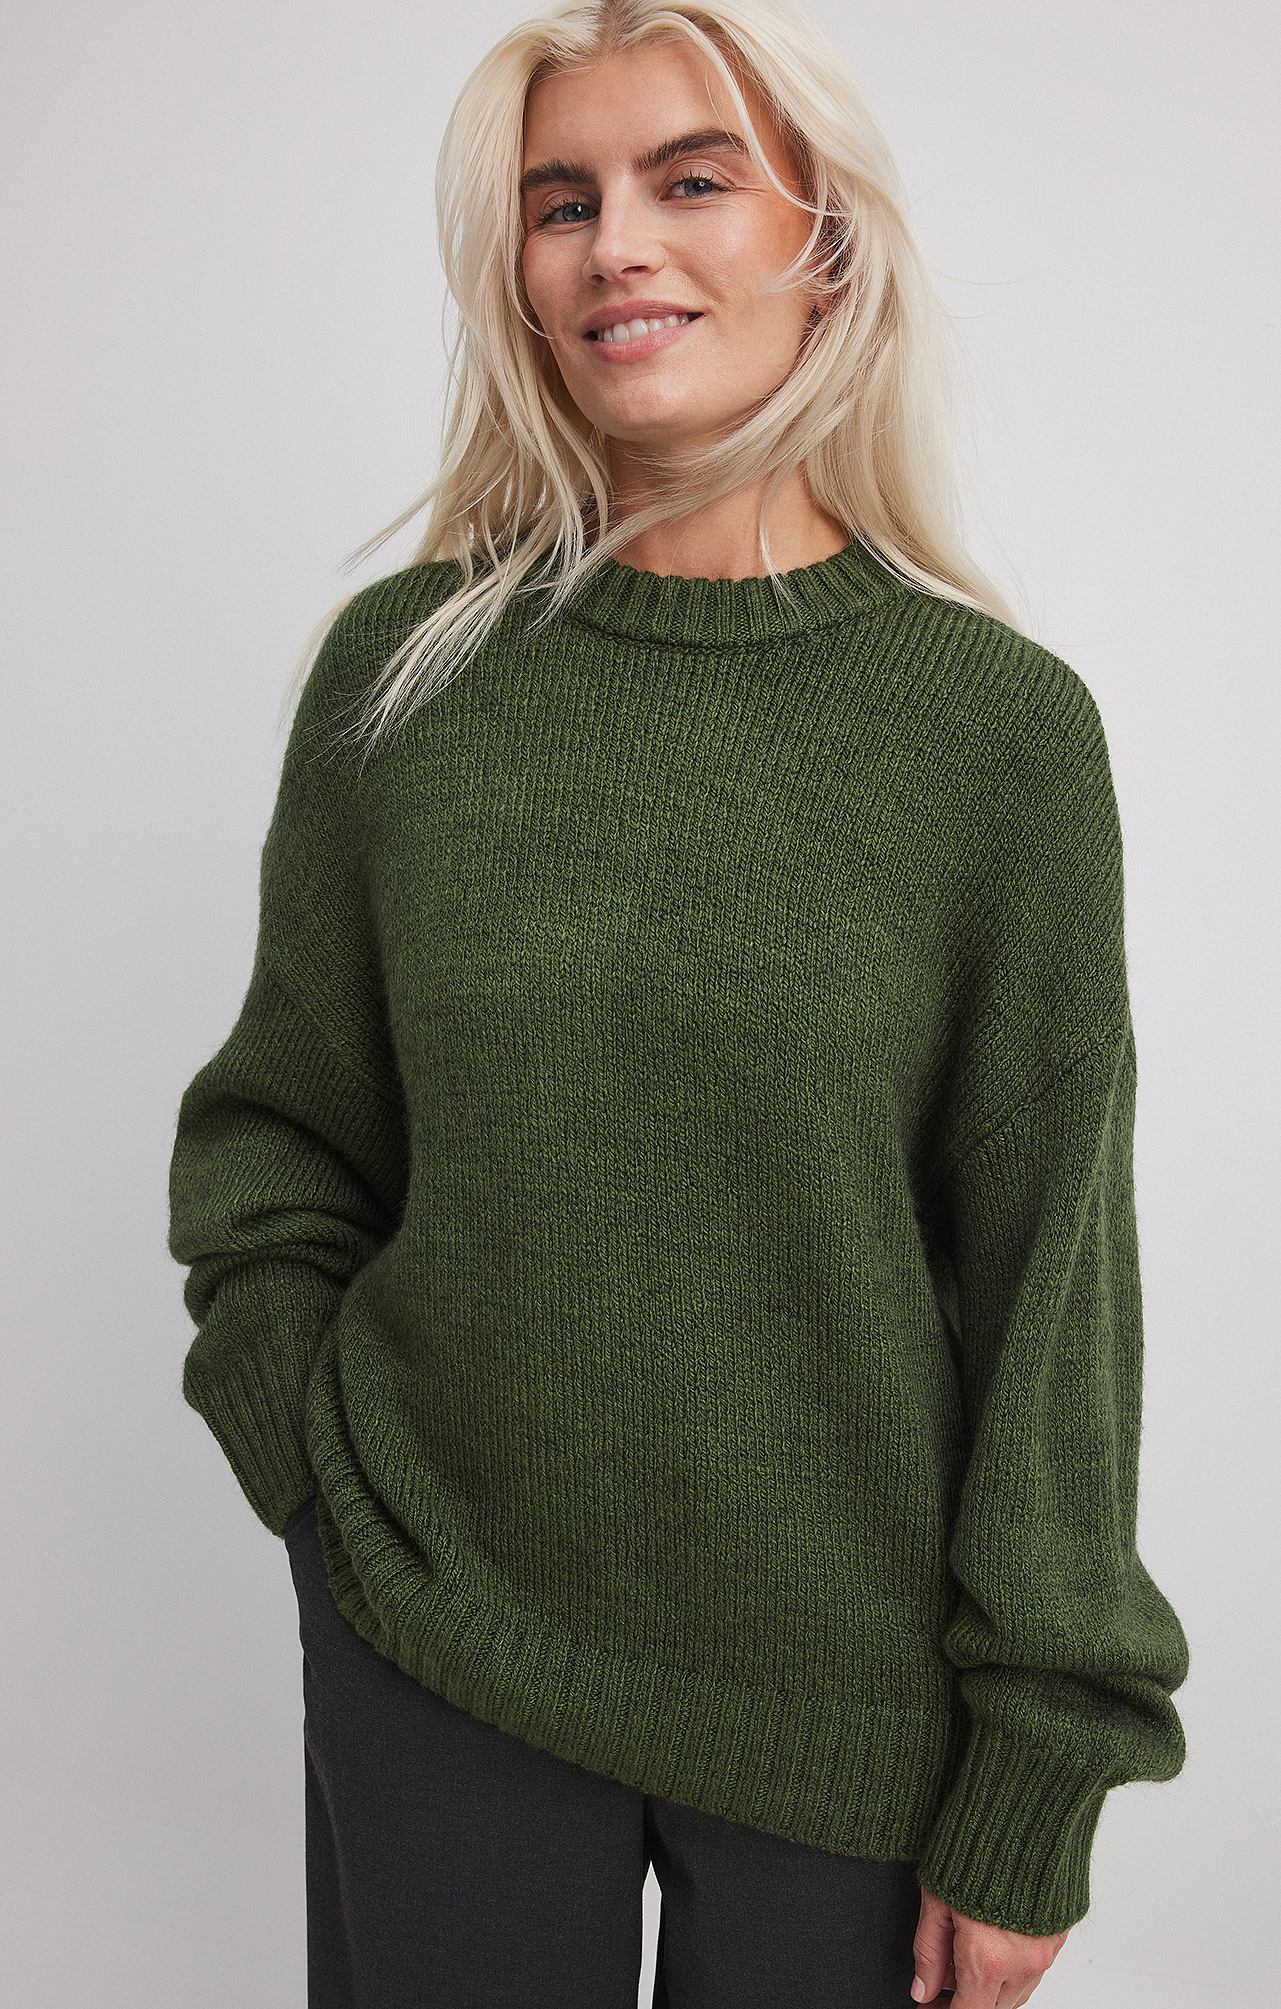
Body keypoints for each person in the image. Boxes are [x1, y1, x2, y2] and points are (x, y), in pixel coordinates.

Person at [167, 0, 1190, 2003]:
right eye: (562, 202)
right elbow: (278, 1144)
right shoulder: (408, 681)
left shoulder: (992, 736)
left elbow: (1051, 1275)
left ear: (826, 237)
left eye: (688, 179)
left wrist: (1041, 1764)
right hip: (437, 1634)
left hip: (847, 1703)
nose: (615, 245)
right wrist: (319, 1486)